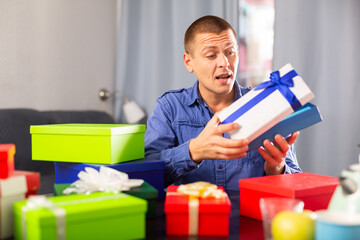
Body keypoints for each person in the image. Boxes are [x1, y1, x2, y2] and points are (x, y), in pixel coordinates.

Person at [144, 15, 301, 191]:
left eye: (230, 52)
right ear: (189, 62)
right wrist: (193, 151)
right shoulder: (170, 107)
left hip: (249, 216)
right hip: (191, 215)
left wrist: (277, 170)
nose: (224, 63)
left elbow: (296, 182)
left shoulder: (264, 105)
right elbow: (145, 177)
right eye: (211, 55)